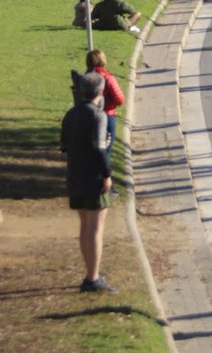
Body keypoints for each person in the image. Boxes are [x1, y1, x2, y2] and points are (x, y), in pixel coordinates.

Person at [62, 70, 116, 293]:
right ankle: (93, 278)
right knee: (96, 227)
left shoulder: (70, 114)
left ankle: (90, 272)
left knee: (84, 226)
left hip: (75, 174)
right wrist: (107, 174)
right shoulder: (98, 115)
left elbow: (65, 146)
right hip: (93, 178)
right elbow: (99, 149)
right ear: (101, 92)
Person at [84, 50, 125, 178]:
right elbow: (120, 99)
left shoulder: (85, 78)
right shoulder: (107, 78)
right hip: (108, 115)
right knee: (106, 150)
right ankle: (105, 179)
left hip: (87, 115)